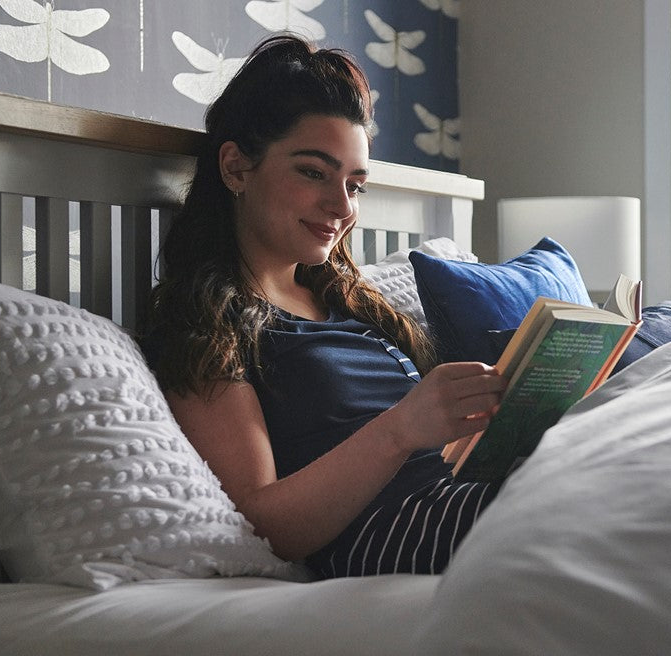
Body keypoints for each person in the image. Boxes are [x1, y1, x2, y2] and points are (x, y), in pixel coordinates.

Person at [141, 34, 507, 578]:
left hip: (462, 492)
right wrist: (403, 426)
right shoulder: (205, 321)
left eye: (355, 186)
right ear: (236, 168)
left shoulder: (353, 304)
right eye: (313, 172)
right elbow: (265, 522)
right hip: (396, 528)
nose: (340, 207)